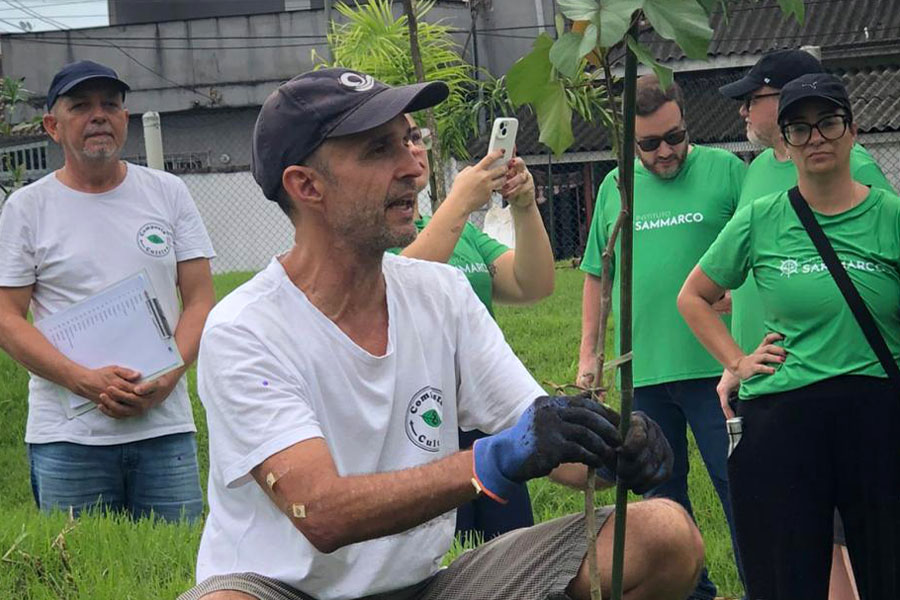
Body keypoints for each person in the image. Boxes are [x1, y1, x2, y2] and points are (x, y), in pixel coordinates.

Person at [180, 68, 703, 600]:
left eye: (410, 140)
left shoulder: (440, 293)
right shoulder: (246, 328)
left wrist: (610, 448)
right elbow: (319, 512)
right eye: (379, 150)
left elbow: (542, 441)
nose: (413, 167)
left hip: (424, 588)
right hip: (284, 589)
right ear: (306, 185)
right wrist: (494, 458)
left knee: (662, 534)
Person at [678, 73, 900, 600]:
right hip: (785, 413)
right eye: (799, 128)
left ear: (852, 131)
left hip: (876, 412)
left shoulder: (890, 216)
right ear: (784, 141)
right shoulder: (761, 219)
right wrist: (736, 360)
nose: (815, 137)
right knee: (786, 574)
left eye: (827, 123)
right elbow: (694, 297)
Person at [0, 60, 216, 521]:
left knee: (173, 573)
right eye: (81, 106)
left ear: (124, 118)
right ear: (52, 127)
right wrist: (81, 380)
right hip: (68, 437)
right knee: (82, 571)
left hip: (164, 428)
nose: (99, 115)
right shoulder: (26, 209)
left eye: (111, 105)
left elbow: (199, 299)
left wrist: (168, 376)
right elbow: (6, 316)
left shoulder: (168, 192)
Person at [578, 74, 746, 600]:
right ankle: (692, 593)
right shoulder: (615, 187)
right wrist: (589, 353)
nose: (667, 150)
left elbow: (763, 250)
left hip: (717, 369)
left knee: (742, 488)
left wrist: (741, 300)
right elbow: (595, 274)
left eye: (676, 136)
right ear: (629, 143)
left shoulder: (726, 171)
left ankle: (767, 583)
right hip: (641, 371)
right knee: (660, 503)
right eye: (650, 144)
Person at [393, 114, 554, 541]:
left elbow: (531, 283)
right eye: (394, 142)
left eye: (415, 138)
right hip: (421, 420)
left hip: (487, 413)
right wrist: (460, 202)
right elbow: (398, 287)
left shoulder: (458, 232)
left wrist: (524, 206)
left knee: (513, 548)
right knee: (446, 554)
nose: (412, 150)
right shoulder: (375, 240)